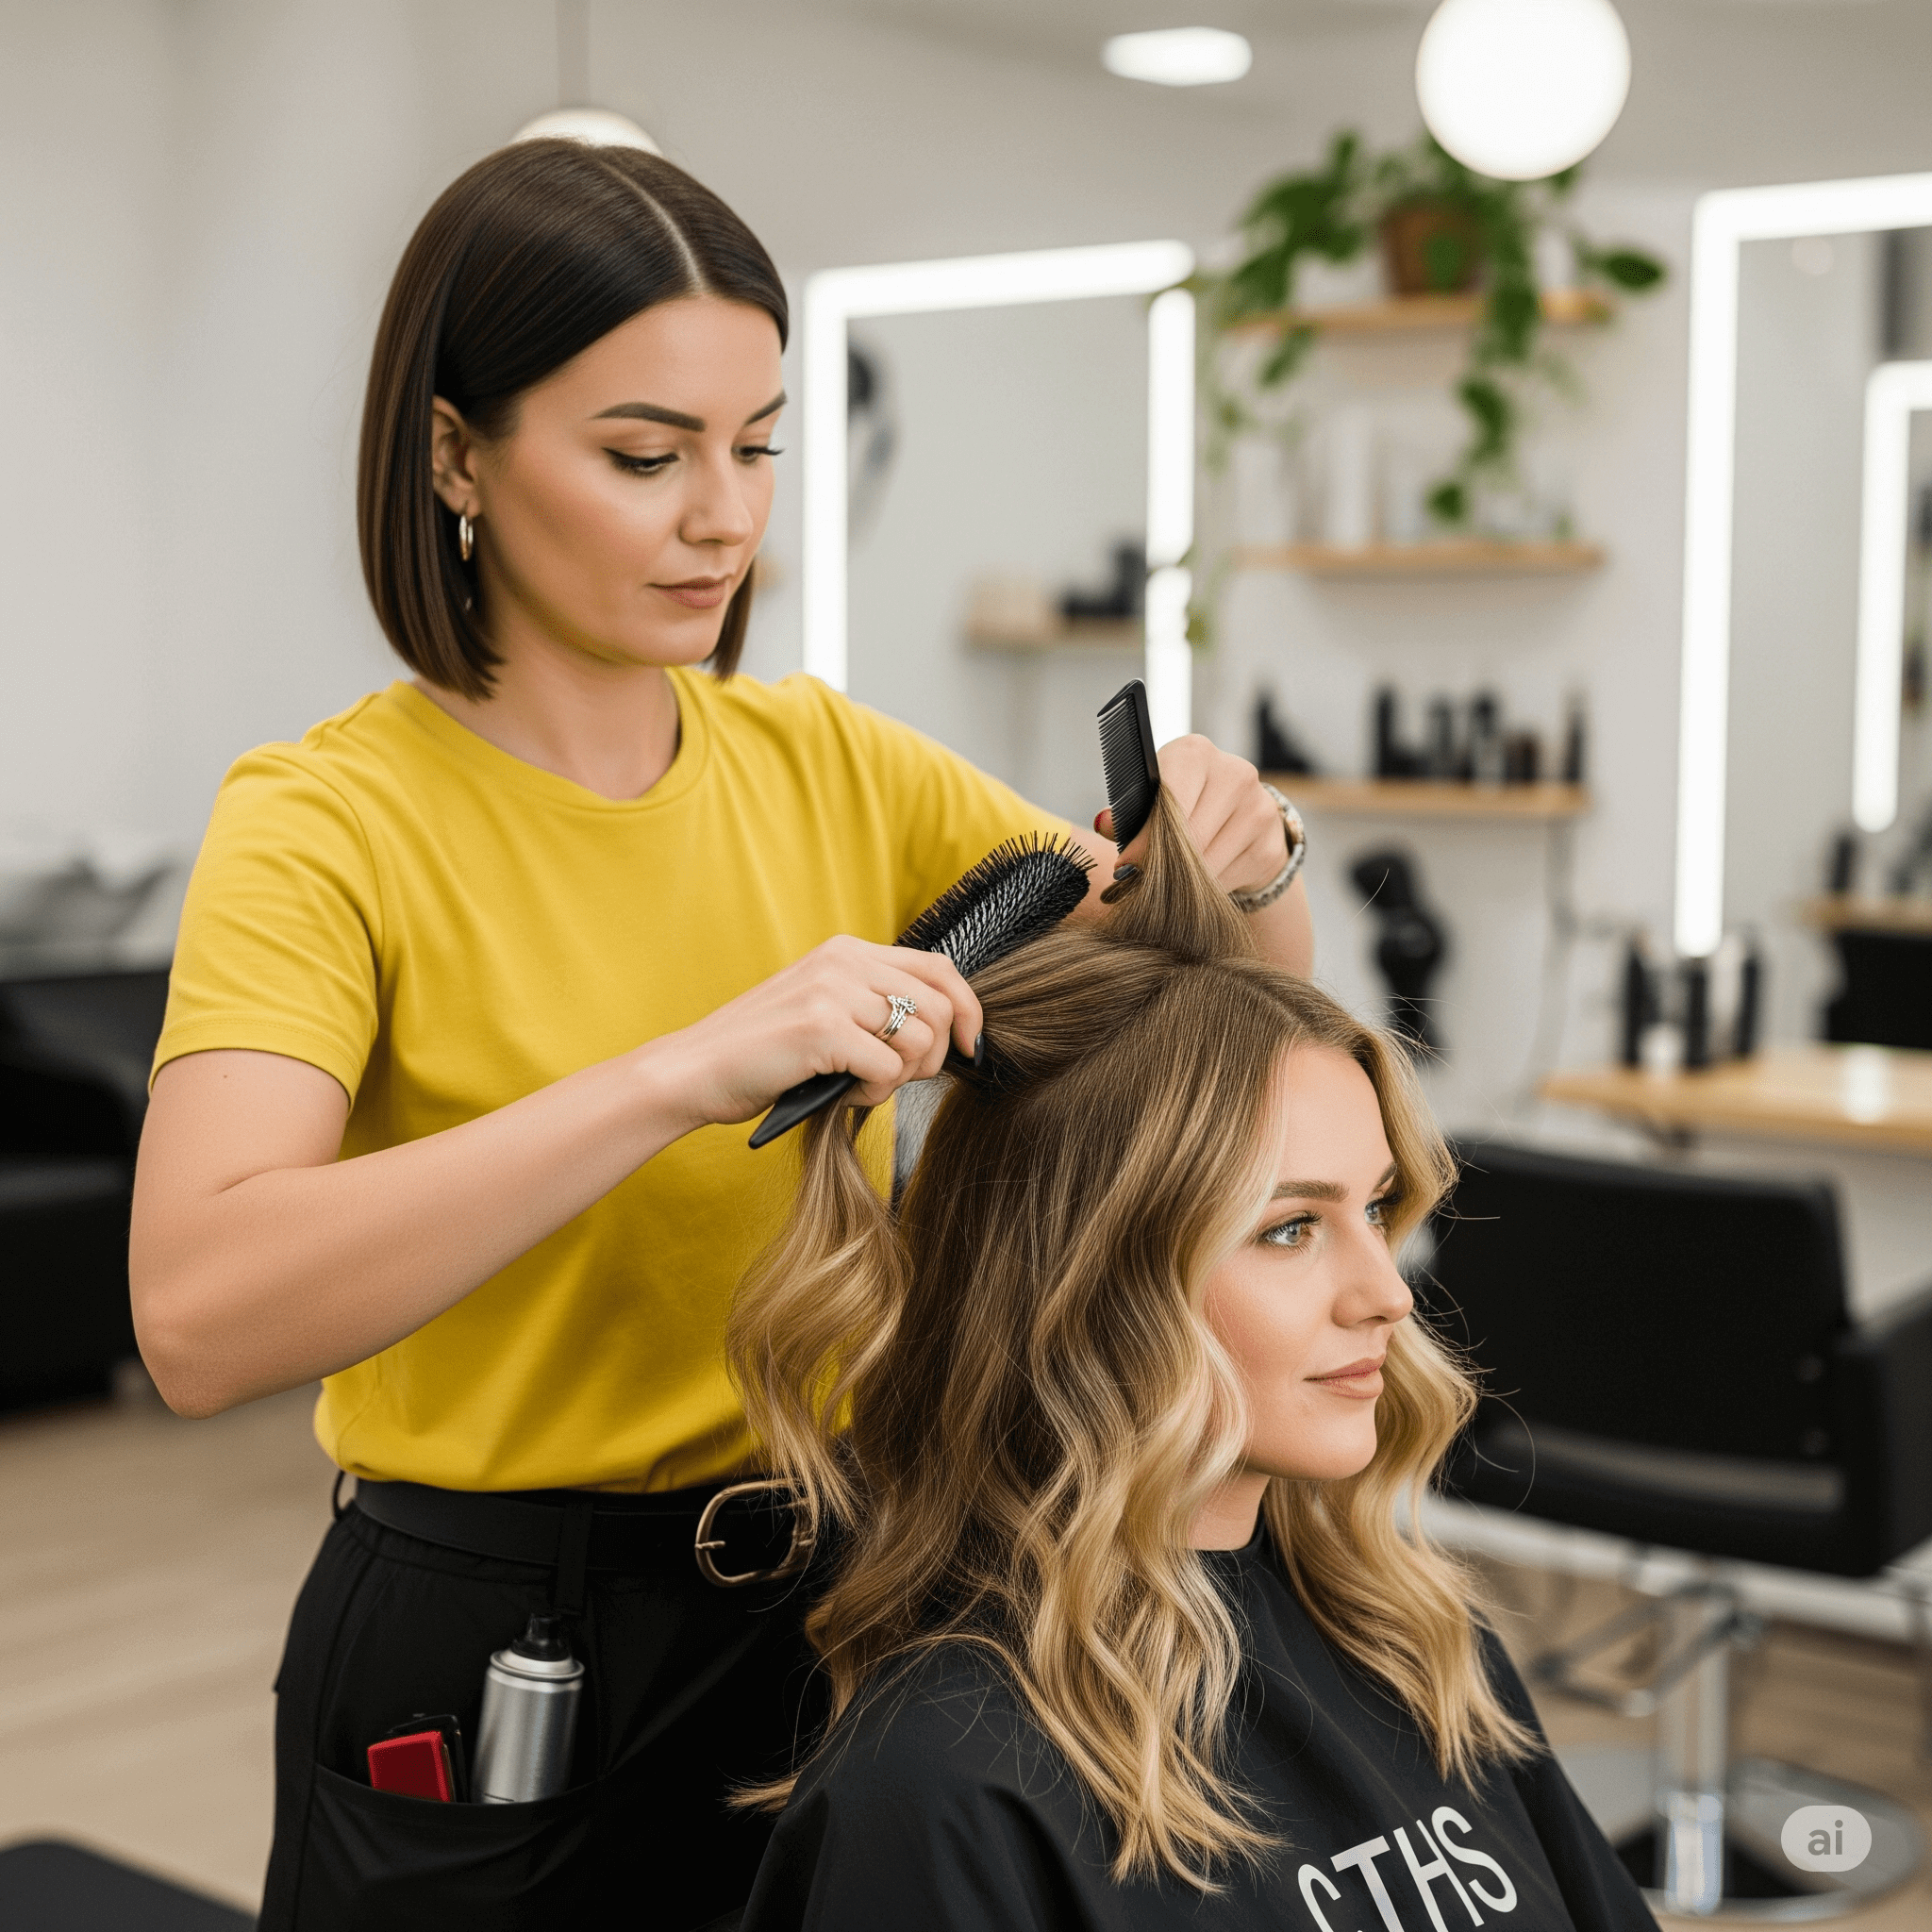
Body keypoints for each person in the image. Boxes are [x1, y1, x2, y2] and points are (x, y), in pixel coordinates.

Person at [127, 136, 1313, 1930]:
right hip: (496, 1644)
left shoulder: (827, 758)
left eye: (757, 446)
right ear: (454, 453)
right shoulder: (324, 821)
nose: (723, 516)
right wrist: (680, 1072)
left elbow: (1227, 1008)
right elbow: (197, 1317)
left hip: (850, 1594)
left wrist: (1249, 849)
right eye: (644, 455)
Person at [730, 791, 1657, 1932]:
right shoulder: (942, 1786)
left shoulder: (1412, 1641)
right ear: (1083, 1283)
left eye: (1375, 1208)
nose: (1385, 1292)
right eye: (1289, 1227)